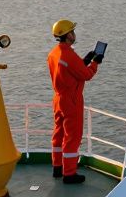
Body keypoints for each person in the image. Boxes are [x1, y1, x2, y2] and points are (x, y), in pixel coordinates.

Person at [47, 19, 103, 184]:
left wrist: (85, 60)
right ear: (67, 35)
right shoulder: (68, 55)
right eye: (72, 31)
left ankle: (57, 167)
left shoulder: (54, 53)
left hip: (58, 98)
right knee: (72, 137)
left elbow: (70, 69)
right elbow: (86, 75)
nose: (74, 33)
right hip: (72, 101)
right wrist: (95, 63)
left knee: (58, 134)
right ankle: (69, 174)